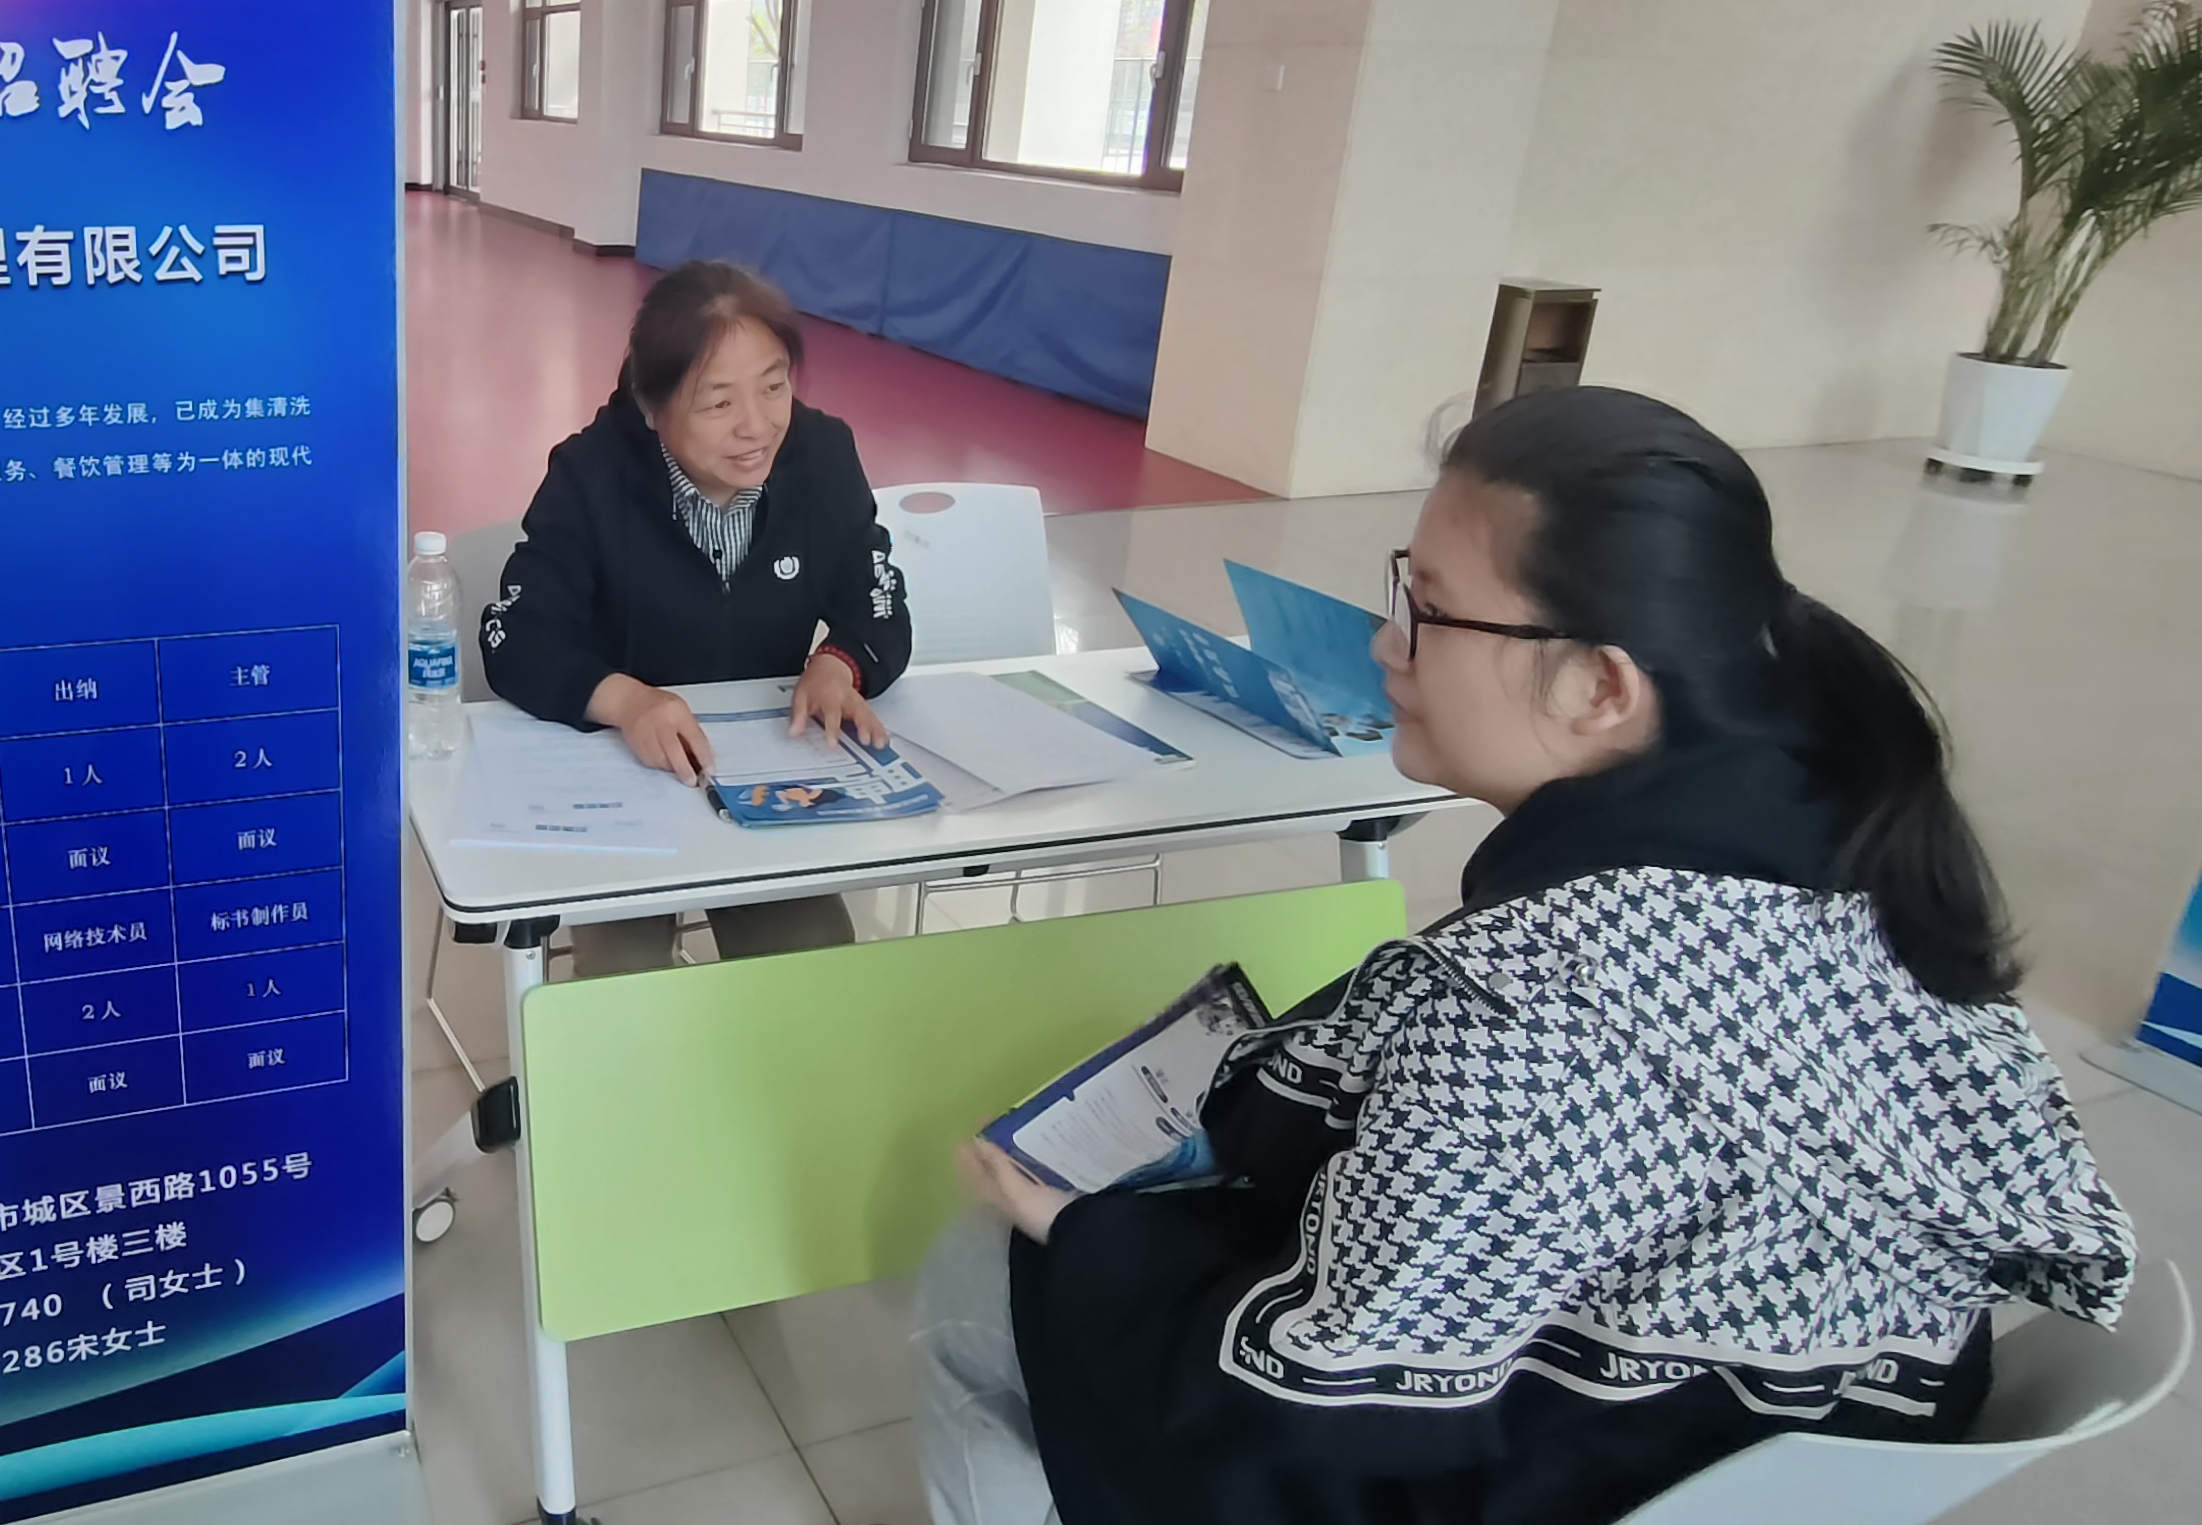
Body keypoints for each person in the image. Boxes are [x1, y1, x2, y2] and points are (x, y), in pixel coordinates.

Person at [915, 386, 2135, 1525]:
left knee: (983, 1272)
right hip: (1813, 1437)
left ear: (1601, 686)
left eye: (1430, 609)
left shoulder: (1529, 1009)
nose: (1387, 648)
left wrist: (1086, 1241)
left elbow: (1303, 1396)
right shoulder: (1864, 853)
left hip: (1598, 1468)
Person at [481, 260, 912, 975]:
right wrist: (626, 702)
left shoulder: (823, 456)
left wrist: (840, 664)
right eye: (718, 403)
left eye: (774, 387)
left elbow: (880, 603)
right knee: (626, 978)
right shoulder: (591, 474)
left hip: (765, 779)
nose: (757, 426)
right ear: (651, 405)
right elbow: (516, 637)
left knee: (814, 964)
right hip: (624, 782)